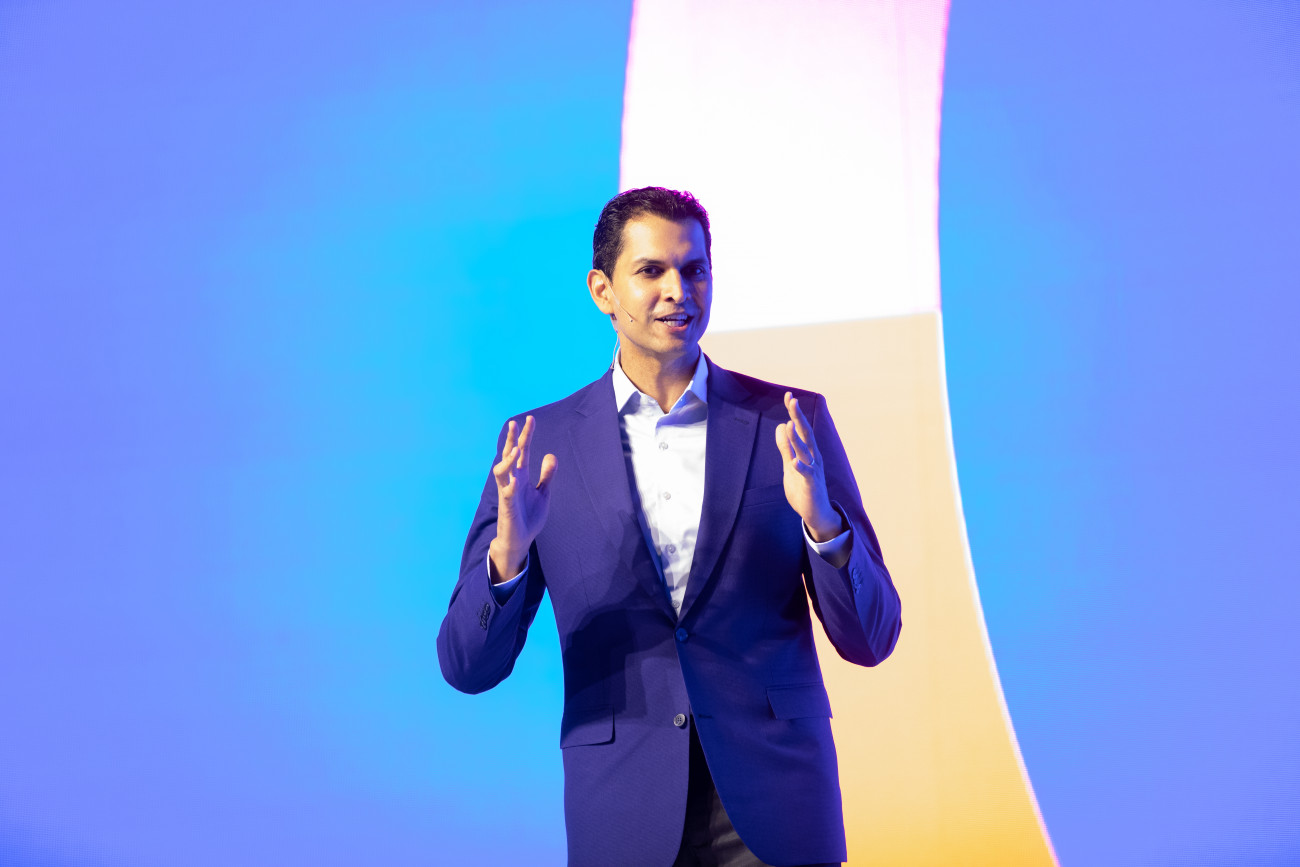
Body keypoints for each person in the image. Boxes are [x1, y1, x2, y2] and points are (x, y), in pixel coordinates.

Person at [437, 187, 901, 867]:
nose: (678, 290)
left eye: (694, 269)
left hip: (778, 807)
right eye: (651, 270)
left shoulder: (789, 420)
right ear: (602, 290)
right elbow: (466, 666)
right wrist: (508, 554)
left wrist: (822, 522)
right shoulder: (538, 441)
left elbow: (872, 637)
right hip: (622, 812)